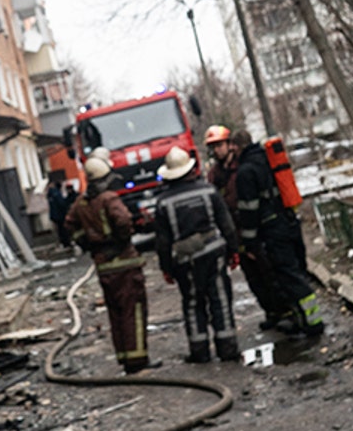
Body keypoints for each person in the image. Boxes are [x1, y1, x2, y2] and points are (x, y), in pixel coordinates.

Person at [65, 148, 156, 373]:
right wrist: (121, 240)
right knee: (132, 310)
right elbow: (123, 222)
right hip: (125, 264)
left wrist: (87, 242)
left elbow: (69, 225)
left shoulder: (81, 204)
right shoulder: (109, 199)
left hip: (103, 267)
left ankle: (124, 357)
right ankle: (138, 360)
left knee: (115, 313)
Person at [150, 146, 241, 364]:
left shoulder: (163, 203)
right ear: (190, 170)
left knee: (192, 303)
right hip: (214, 252)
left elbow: (163, 241)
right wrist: (234, 250)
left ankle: (199, 351)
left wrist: (166, 268)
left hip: (185, 259)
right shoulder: (208, 191)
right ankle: (227, 348)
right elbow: (226, 224)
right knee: (220, 298)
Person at [230, 131, 323, 338]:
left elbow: (248, 209)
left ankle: (312, 323)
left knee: (288, 274)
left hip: (272, 229)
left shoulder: (245, 171)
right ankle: (304, 320)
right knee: (296, 270)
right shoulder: (266, 158)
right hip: (289, 221)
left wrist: (249, 242)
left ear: (237, 147)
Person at [207, 126, 287, 330]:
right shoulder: (214, 175)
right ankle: (270, 311)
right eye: (213, 147)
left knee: (269, 272)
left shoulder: (242, 167)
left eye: (219, 145)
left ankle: (284, 312)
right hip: (234, 233)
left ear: (229, 145)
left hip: (256, 228)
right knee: (253, 277)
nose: (217, 150)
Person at [45, 169, 76, 250]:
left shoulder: (50, 193)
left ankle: (64, 243)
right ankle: (66, 243)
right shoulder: (56, 193)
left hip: (55, 215)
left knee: (60, 230)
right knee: (63, 230)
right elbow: (61, 203)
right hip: (60, 215)